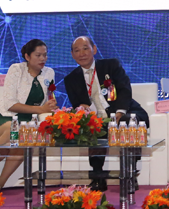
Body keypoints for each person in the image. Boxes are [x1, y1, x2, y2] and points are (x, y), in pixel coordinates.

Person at [64, 36, 150, 192]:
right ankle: (98, 177)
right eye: (77, 50)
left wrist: (119, 112)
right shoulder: (71, 79)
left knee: (126, 122)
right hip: (98, 118)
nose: (82, 53)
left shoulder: (111, 65)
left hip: (126, 112)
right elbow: (77, 105)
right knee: (91, 126)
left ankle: (129, 174)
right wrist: (83, 109)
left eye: (85, 48)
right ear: (72, 54)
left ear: (94, 49)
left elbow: (124, 89)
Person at [0, 39, 57, 190]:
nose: (43, 59)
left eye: (45, 55)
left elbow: (48, 98)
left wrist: (50, 105)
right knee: (15, 131)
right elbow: (10, 104)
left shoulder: (49, 73)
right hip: (2, 117)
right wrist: (41, 109)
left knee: (24, 138)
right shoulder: (16, 69)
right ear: (27, 56)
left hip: (27, 121)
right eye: (38, 55)